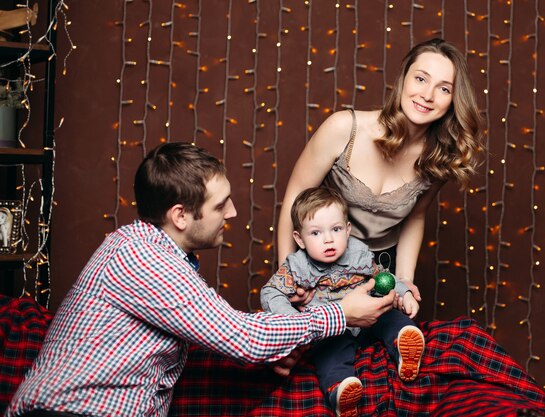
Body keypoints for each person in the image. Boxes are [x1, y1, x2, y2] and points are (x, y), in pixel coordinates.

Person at [5, 142, 396, 417]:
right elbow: (244, 339)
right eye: (220, 204)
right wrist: (341, 313)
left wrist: (289, 338)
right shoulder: (143, 259)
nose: (233, 212)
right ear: (180, 216)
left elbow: (226, 328)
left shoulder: (162, 253)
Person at [277, 38, 484, 312]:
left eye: (444, 88)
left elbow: (416, 216)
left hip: (380, 271)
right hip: (320, 266)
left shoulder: (438, 158)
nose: (428, 95)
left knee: (384, 342)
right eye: (421, 79)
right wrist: (288, 277)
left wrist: (405, 279)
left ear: (453, 100)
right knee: (328, 348)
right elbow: (295, 198)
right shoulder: (344, 128)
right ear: (403, 80)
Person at [261, 186, 425, 417]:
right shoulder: (297, 267)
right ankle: (341, 390)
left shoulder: (358, 253)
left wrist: (404, 293)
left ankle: (404, 344)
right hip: (331, 329)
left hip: (368, 317)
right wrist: (295, 320)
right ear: (299, 239)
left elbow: (382, 277)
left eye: (336, 229)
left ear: (347, 230)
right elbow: (270, 293)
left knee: (390, 315)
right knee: (331, 355)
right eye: (316, 233)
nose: (328, 239)